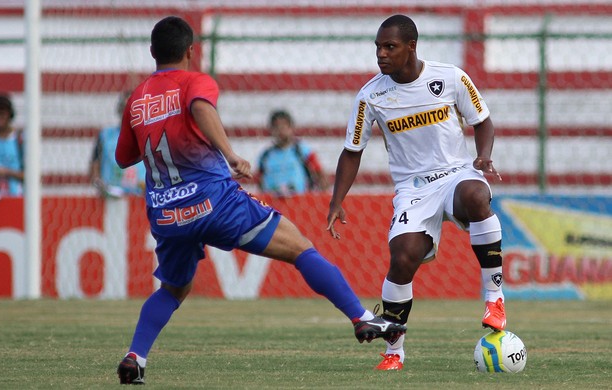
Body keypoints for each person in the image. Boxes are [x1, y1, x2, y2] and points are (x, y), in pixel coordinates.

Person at [114, 16, 405, 385]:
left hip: (166, 212)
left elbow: (124, 157)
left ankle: (135, 356)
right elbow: (201, 108)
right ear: (191, 51)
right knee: (300, 248)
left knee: (173, 289)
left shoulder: (137, 98)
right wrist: (231, 155)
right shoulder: (195, 81)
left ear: (152, 52)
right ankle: (360, 317)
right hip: (213, 200)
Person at [327, 14, 506, 371]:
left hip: (456, 173)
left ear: (411, 47)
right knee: (403, 257)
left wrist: (483, 157)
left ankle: (495, 297)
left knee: (475, 196)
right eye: (378, 47)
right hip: (413, 188)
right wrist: (336, 200)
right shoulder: (371, 95)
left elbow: (482, 120)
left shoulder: (450, 77)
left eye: (389, 46)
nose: (381, 54)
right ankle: (395, 351)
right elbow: (352, 151)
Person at [258, 110, 329, 196]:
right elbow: (259, 182)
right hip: (272, 205)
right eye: (276, 126)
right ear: (271, 129)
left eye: (284, 126)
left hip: (299, 203)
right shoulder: (265, 156)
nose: (280, 130)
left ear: (291, 127)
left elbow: (320, 175)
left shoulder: (303, 151)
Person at [89, 91, 145, 197]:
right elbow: (94, 163)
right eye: (125, 108)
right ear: (119, 110)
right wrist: (99, 184)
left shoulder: (148, 136)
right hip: (111, 198)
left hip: (141, 200)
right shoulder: (106, 136)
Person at [0, 94, 23, 201]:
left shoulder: (20, 140)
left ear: (10, 114)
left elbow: (30, 174)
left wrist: (6, 172)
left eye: (3, 113)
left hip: (16, 198)